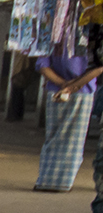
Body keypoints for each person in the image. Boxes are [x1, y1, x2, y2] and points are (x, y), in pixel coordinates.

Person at [36, 49, 102, 195]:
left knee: (54, 137)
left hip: (58, 90)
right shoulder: (95, 37)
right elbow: (99, 67)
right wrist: (72, 86)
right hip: (81, 90)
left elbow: (42, 64)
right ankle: (62, 182)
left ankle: (46, 180)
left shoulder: (52, 38)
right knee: (73, 141)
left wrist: (64, 85)